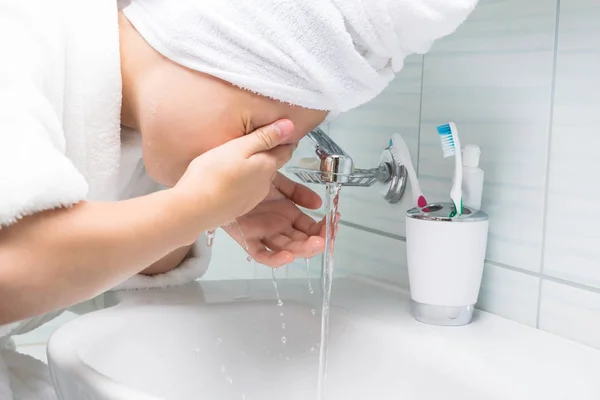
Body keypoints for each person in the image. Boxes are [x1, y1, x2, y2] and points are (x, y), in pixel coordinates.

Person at [0, 0, 477, 398]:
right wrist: (193, 207)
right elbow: (10, 271)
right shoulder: (19, 36)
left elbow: (129, 263)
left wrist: (206, 209)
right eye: (255, 131)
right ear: (203, 47)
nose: (265, 161)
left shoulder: (143, 131)